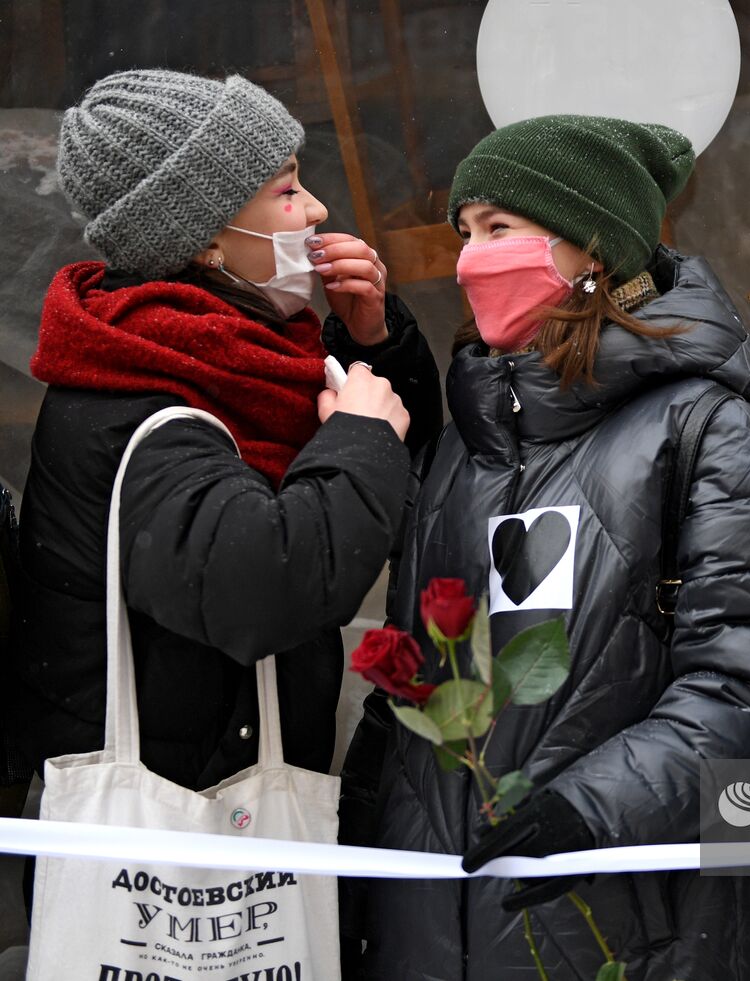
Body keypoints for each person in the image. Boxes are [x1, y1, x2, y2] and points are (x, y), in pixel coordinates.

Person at [339, 115, 750, 980]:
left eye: (499, 229)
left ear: (591, 251)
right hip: (430, 934)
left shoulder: (708, 433)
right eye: (465, 234)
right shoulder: (463, 445)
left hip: (632, 931)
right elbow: (407, 693)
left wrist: (588, 809)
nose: (468, 259)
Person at [10, 68, 440, 794]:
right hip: (164, 856)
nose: (316, 209)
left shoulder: (247, 358)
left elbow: (401, 486)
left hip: (228, 814)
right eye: (287, 190)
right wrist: (359, 437)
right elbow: (261, 586)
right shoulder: (135, 392)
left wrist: (371, 342)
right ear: (204, 236)